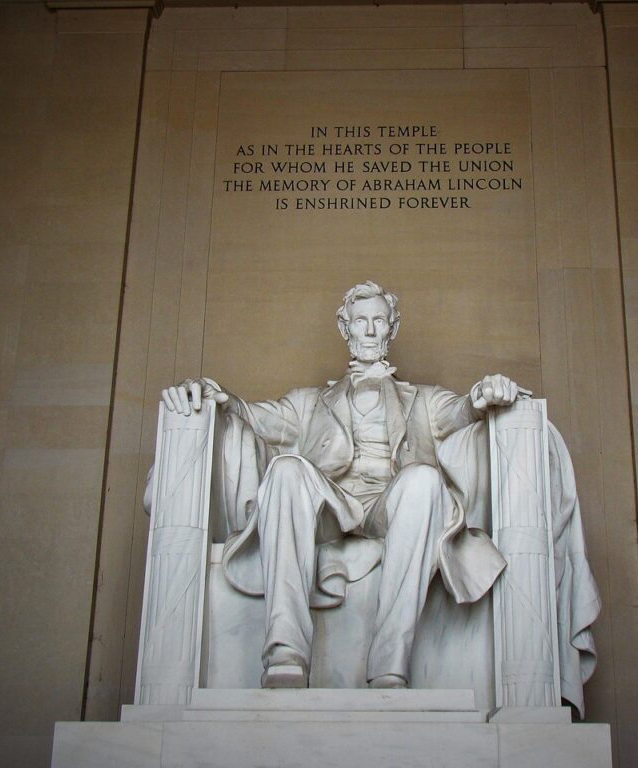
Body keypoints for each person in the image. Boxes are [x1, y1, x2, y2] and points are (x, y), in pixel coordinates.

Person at [161, 281, 521, 690]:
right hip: (331, 508)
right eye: (360, 321)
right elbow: (253, 416)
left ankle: (390, 665)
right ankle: (285, 654)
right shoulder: (308, 402)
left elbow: (461, 411)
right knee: (286, 469)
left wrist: (483, 394)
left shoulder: (424, 399)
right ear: (344, 327)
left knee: (424, 478)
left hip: (392, 506)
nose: (369, 330)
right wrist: (218, 397)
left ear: (393, 328)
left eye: (379, 321)